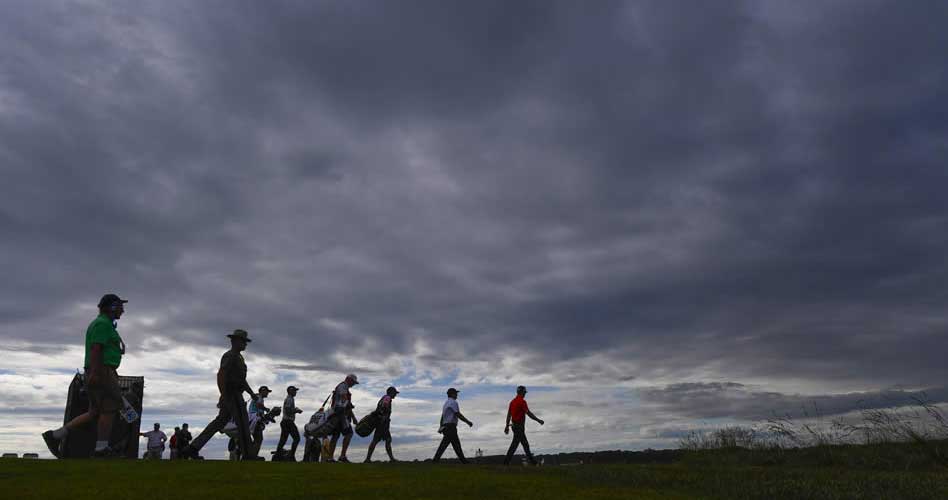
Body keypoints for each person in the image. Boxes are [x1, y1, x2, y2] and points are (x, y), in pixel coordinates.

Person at [43, 293, 130, 458]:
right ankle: (101, 449)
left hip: (100, 370)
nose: (122, 310)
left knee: (94, 411)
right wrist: (96, 373)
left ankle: (56, 436)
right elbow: (96, 349)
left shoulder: (105, 325)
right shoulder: (102, 325)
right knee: (109, 409)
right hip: (103, 370)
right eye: (120, 306)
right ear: (111, 307)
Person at [179, 329, 258, 460]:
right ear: (235, 341)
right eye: (243, 341)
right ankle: (248, 454)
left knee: (218, 423)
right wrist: (224, 395)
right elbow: (221, 375)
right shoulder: (230, 356)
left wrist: (251, 394)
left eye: (245, 342)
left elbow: (241, 380)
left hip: (235, 393)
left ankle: (192, 448)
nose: (245, 344)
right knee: (243, 424)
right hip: (232, 395)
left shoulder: (239, 357)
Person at [504, 385, 544, 465]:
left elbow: (509, 415)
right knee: (515, 445)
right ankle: (505, 463)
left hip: (514, 427)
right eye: (524, 392)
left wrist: (507, 426)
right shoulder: (522, 402)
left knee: (524, 445)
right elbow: (528, 413)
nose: (525, 394)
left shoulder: (512, 402)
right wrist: (538, 420)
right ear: (521, 392)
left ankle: (533, 463)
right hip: (519, 427)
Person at [324, 374, 360, 463]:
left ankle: (330, 457)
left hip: (338, 415)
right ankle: (341, 456)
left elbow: (346, 403)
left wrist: (353, 417)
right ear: (348, 380)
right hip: (341, 416)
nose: (353, 385)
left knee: (335, 436)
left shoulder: (342, 386)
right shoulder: (343, 386)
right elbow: (345, 400)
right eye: (353, 382)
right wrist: (353, 417)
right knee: (348, 434)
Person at [433, 388, 473, 464]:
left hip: (446, 427)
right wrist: (468, 422)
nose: (457, 395)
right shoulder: (453, 402)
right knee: (453, 445)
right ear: (452, 394)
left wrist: (441, 426)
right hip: (451, 427)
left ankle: (463, 461)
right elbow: (457, 414)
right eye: (455, 393)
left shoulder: (445, 403)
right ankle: (464, 461)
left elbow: (442, 416)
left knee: (453, 445)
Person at [365, 386, 399, 463]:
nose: (395, 395)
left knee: (382, 440)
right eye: (395, 393)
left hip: (380, 422)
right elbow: (384, 405)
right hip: (382, 423)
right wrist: (384, 416)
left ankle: (368, 459)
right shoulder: (387, 398)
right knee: (384, 440)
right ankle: (391, 459)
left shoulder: (384, 397)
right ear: (391, 392)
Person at [275, 386, 303, 461]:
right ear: (290, 391)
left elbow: (288, 409)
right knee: (296, 438)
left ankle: (277, 456)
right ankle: (291, 456)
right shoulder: (289, 399)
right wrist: (296, 411)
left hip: (285, 422)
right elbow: (288, 410)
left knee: (283, 440)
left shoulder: (290, 399)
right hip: (288, 422)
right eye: (294, 391)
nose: (296, 392)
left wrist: (294, 410)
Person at [247, 386, 274, 458]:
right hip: (255, 419)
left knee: (257, 439)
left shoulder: (258, 397)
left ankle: (250, 454)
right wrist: (266, 409)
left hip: (254, 419)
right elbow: (258, 405)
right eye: (267, 391)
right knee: (258, 439)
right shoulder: (259, 397)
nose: (268, 393)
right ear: (262, 391)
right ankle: (253, 456)